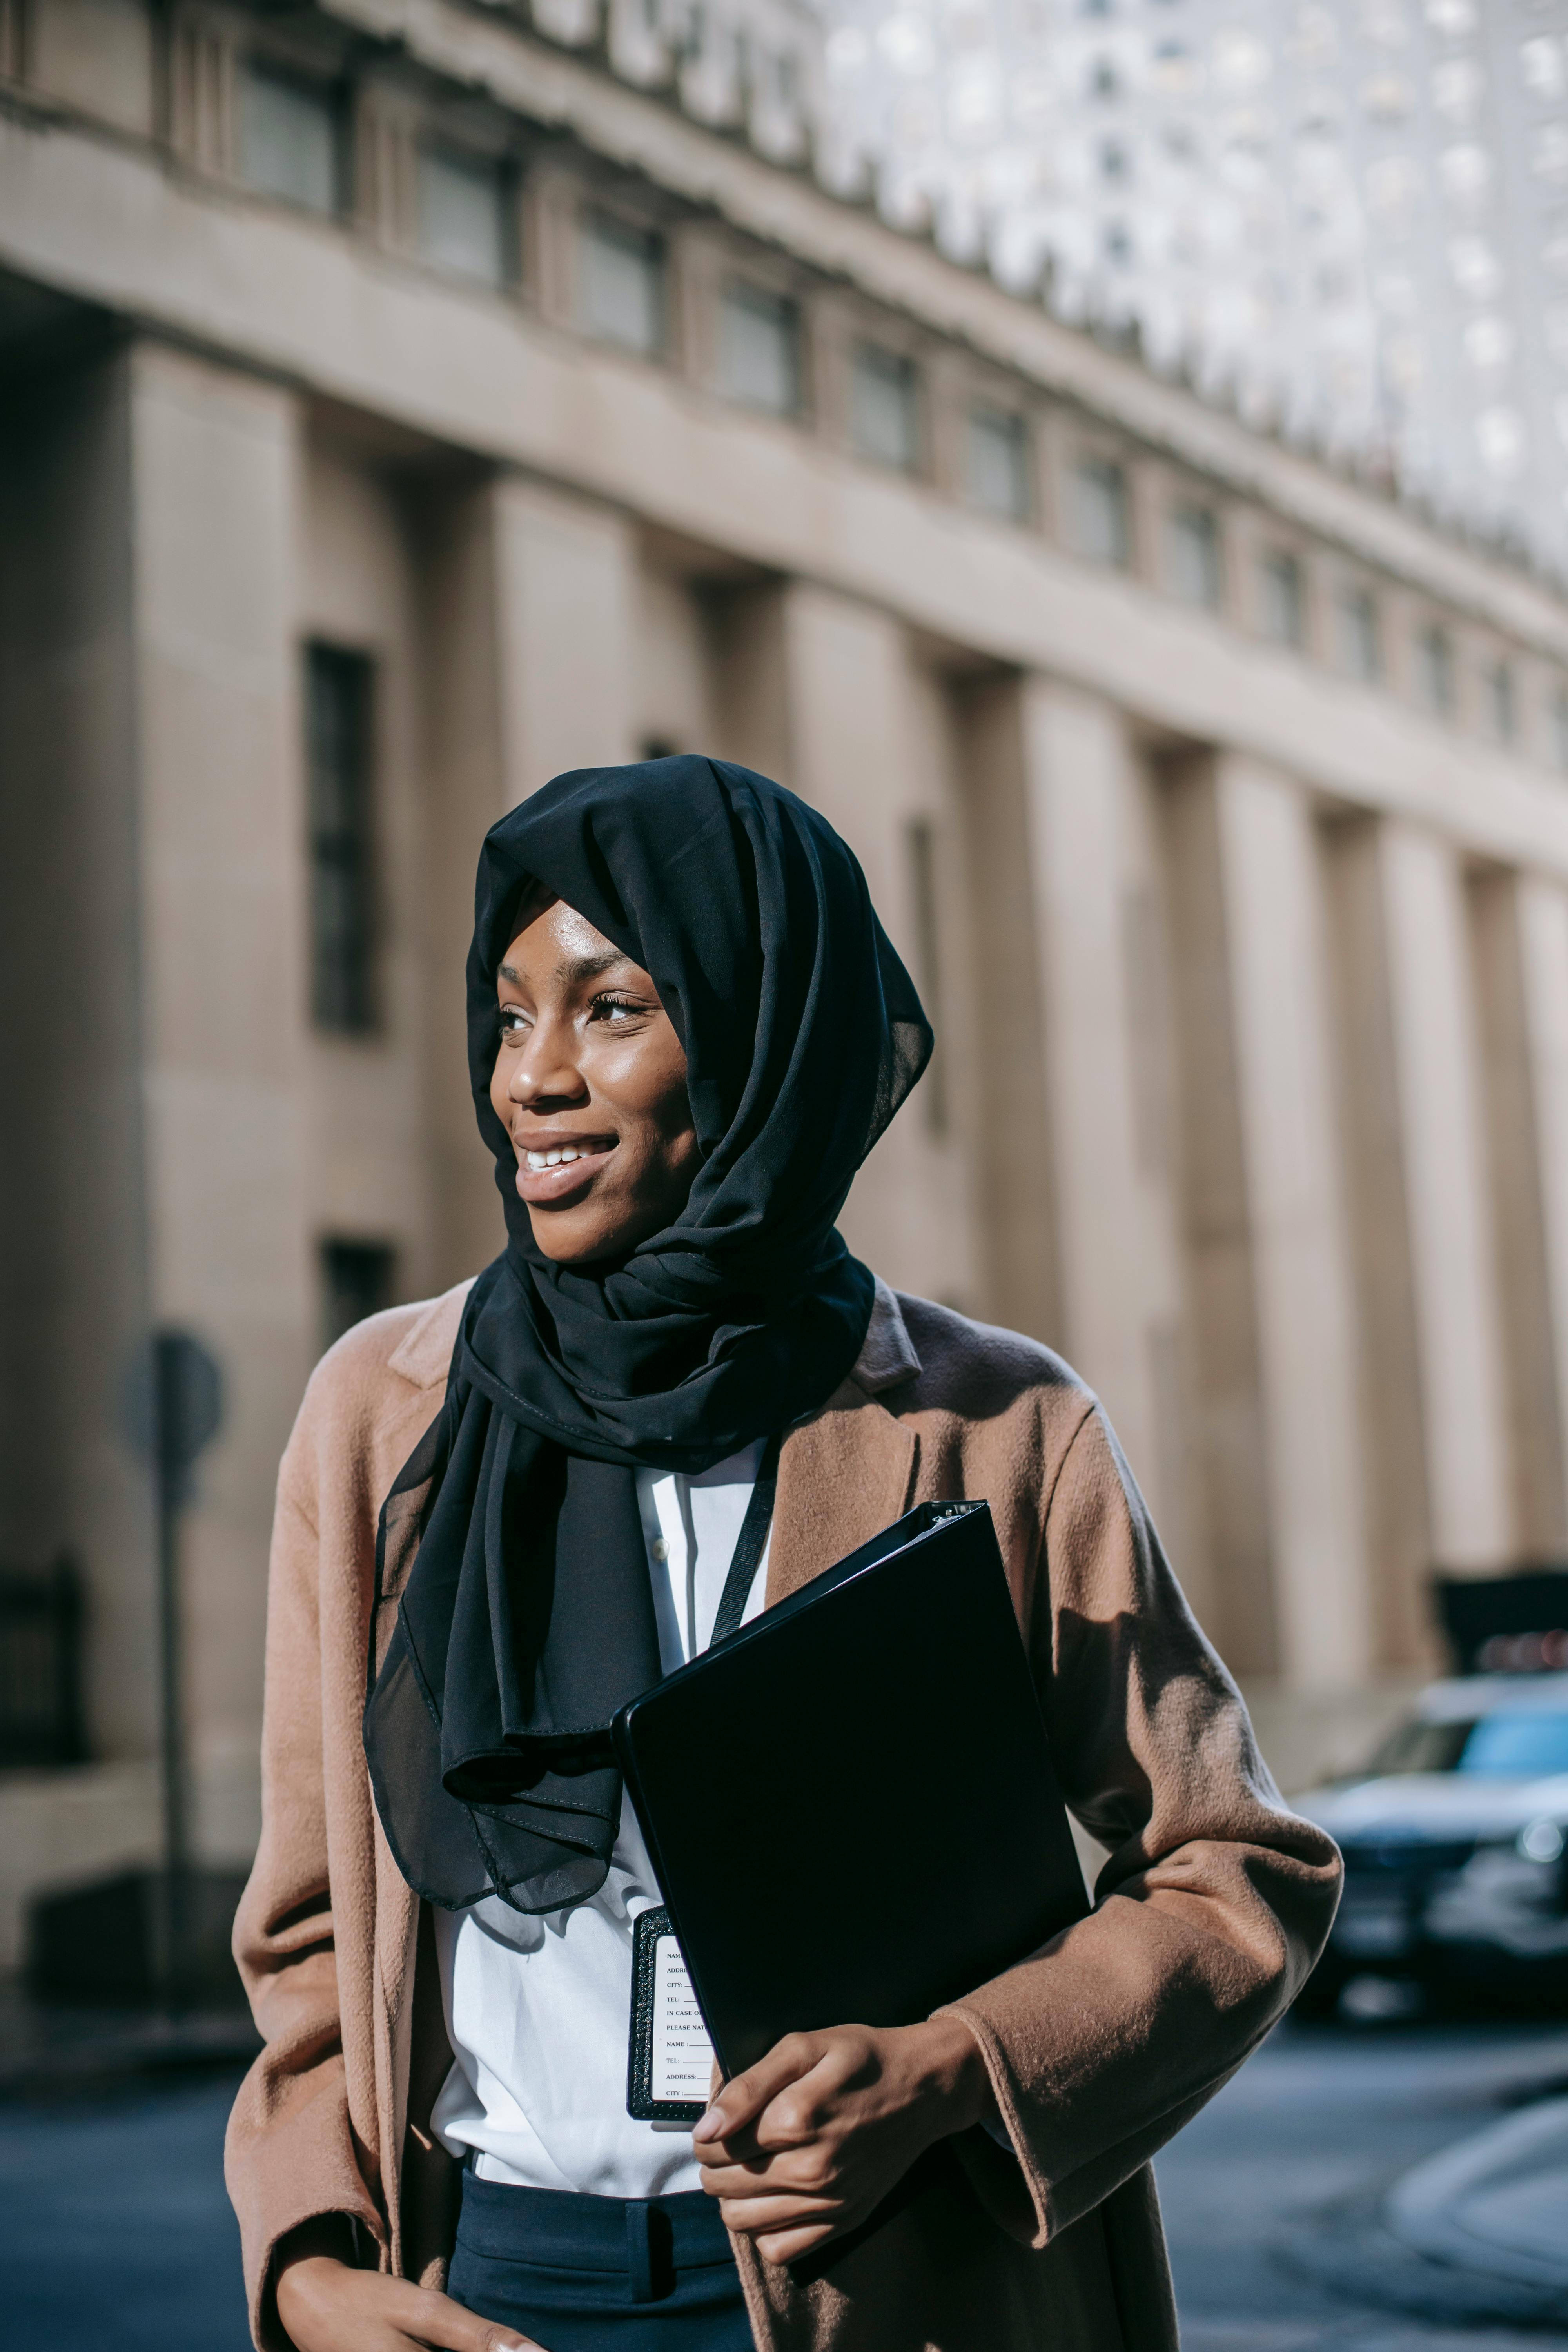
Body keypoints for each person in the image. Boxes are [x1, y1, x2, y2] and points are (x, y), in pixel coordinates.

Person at [226, 754, 1340, 2352]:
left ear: (759, 1041)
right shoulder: (383, 1415)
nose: (529, 1076)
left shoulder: (992, 1425)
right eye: (508, 1011)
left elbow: (1240, 1868)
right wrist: (311, 2259)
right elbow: (314, 1927)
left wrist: (961, 2063)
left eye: (611, 1009)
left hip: (897, 2283)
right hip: (494, 2288)